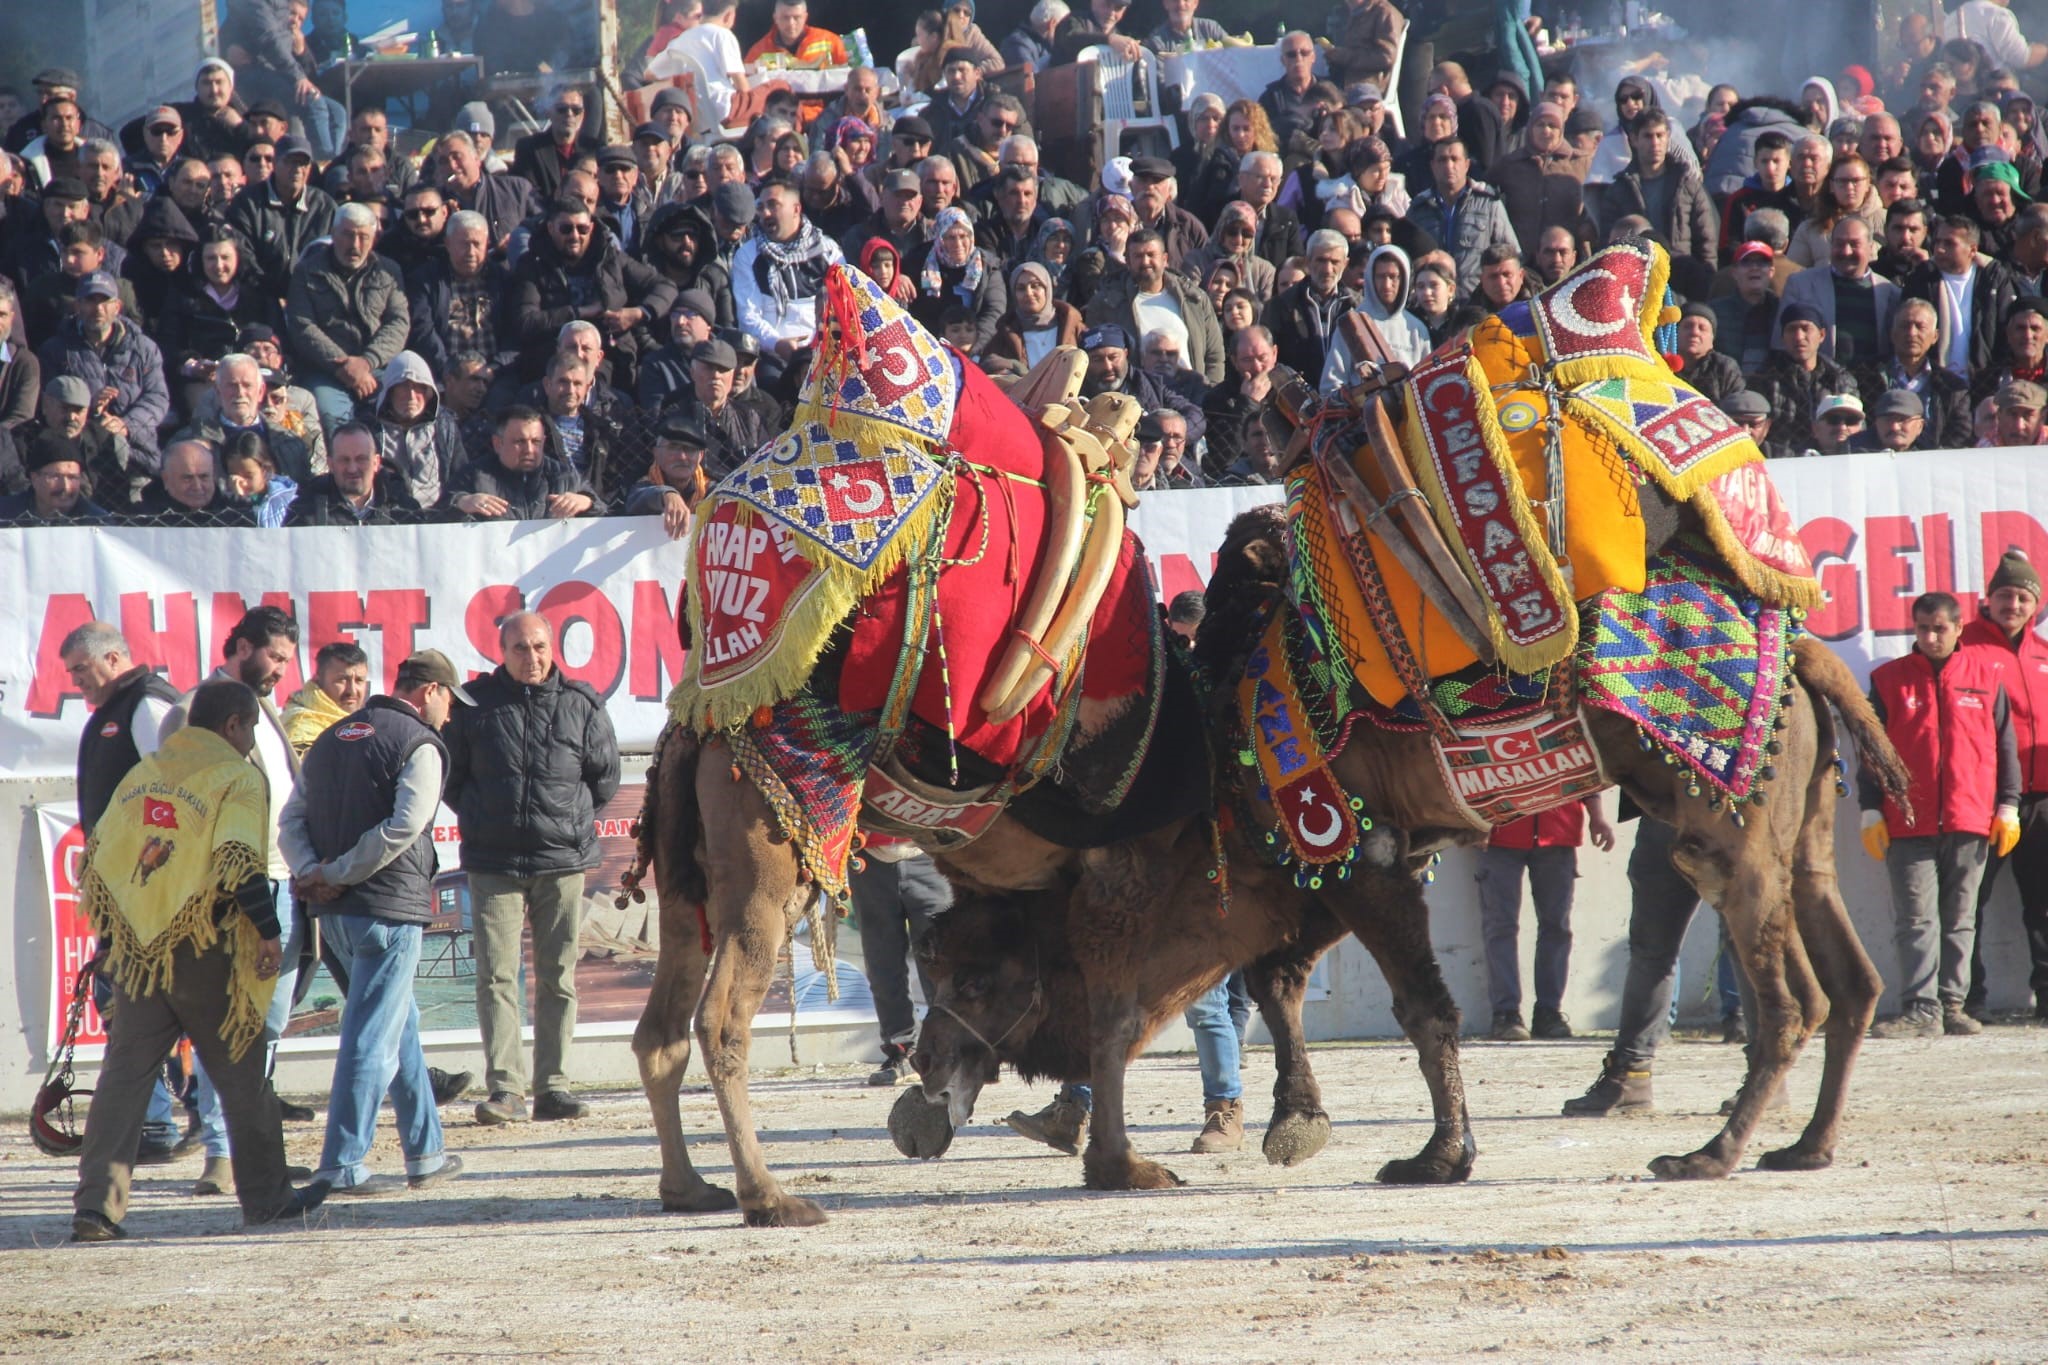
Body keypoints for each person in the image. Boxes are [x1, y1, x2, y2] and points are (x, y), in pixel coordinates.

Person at [69, 678, 330, 1241]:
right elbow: (239, 859)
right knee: (244, 1074)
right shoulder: (236, 776)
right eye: (251, 731)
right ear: (234, 724)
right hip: (206, 946)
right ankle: (267, 1198)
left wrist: (113, 938)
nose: (251, 742)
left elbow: (100, 859)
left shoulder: (146, 772)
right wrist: (266, 930)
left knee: (124, 1079)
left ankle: (95, 1207)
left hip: (141, 950)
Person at [282, 650, 470, 1197]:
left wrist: (313, 872)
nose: (451, 716)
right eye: (451, 702)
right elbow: (406, 825)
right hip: (387, 911)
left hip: (333, 912)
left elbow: (291, 820)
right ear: (431, 691)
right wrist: (337, 871)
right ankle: (341, 1164)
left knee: (398, 1027)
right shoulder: (419, 743)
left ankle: (426, 1152)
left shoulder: (328, 738)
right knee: (371, 1037)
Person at [443, 613, 619, 1125]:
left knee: (558, 975)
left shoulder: (581, 704)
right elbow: (453, 779)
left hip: (561, 862)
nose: (531, 657)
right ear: (502, 651)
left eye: (539, 646)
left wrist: (565, 819)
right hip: (493, 862)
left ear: (552, 646)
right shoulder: (474, 707)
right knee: (496, 976)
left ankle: (553, 1088)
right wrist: (482, 818)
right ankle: (507, 1090)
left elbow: (603, 779)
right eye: (520, 648)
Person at [1862, 592, 2020, 1038]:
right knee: (1915, 918)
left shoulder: (1987, 677)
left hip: (1970, 818)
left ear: (1958, 628)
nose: (1931, 637)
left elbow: (2005, 747)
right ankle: (1920, 1008)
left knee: (1960, 919)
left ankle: (1953, 1004)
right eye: (1923, 628)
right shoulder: (1889, 679)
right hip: (1907, 820)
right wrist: (1870, 808)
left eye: (1940, 629)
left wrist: (2007, 805)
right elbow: (1872, 752)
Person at [1961, 554, 2048, 1021]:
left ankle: (2046, 995)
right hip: (1985, 800)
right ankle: (1967, 998)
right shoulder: (1964, 649)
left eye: (2022, 597)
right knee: (1970, 901)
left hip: (2044, 802)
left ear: (2034, 604)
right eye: (2004, 595)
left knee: (2044, 905)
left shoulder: (2044, 654)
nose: (2012, 604)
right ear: (1988, 600)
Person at [1478, 796, 1614, 1041]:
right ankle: (1505, 1014)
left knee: (1556, 928)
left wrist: (1598, 818)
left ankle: (1548, 1013)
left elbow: (1586, 774)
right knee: (1500, 927)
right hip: (1499, 835)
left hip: (1558, 834)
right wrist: (1474, 822)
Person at [286, 203, 410, 437]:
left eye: (363, 237)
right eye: (348, 235)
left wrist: (367, 362)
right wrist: (342, 366)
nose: (355, 245)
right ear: (333, 234)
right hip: (325, 371)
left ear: (374, 238)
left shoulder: (389, 271)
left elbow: (398, 323)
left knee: (396, 413)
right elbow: (302, 326)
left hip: (377, 368)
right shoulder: (306, 271)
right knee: (330, 417)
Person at [37, 272, 168, 479]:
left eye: (105, 301)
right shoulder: (55, 350)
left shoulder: (144, 348)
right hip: (79, 457)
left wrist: (126, 425)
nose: (98, 309)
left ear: (117, 306)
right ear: (77, 306)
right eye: (90, 301)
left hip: (139, 453)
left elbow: (158, 398)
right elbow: (49, 404)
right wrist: (88, 407)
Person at [851, 845, 950, 1084]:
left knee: (943, 961)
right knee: (882, 962)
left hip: (929, 854)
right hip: (868, 859)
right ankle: (903, 1049)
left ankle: (950, 1048)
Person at [732, 180, 843, 384]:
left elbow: (842, 305)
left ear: (796, 209)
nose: (765, 214)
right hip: (772, 356)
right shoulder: (747, 255)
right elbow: (748, 318)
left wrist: (817, 346)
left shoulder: (828, 251)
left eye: (773, 205)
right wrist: (777, 344)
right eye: (761, 207)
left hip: (822, 352)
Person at [1084, 228, 1225, 386]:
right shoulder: (1106, 304)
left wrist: (1209, 394)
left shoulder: (1195, 299)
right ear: (1127, 261)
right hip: (1137, 399)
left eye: (1151, 255)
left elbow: (1215, 357)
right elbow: (1096, 356)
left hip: (1192, 397)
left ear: (1165, 259)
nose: (1145, 262)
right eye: (1138, 256)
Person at [1897, 215, 2024, 378]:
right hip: (1934, 381)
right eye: (1938, 242)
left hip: (1984, 381)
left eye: (1949, 243)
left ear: (1972, 250)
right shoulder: (1922, 278)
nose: (1939, 249)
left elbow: (2008, 330)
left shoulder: (1994, 279)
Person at [1774, 217, 1899, 369]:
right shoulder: (1800, 284)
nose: (1846, 251)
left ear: (1870, 247)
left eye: (1854, 244)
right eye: (1839, 244)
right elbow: (1781, 342)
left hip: (1872, 383)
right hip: (1820, 383)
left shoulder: (1889, 292)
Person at [1406, 139, 1518, 296]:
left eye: (1454, 159)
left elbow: (1511, 253)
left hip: (1476, 301)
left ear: (1466, 164)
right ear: (1433, 166)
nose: (1449, 166)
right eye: (1442, 160)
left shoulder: (1488, 203)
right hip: (1432, 302)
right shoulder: (1418, 208)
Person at [446, 405, 594, 520]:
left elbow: (606, 512)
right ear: (498, 443)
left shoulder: (564, 476)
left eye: (535, 442)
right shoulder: (474, 476)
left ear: (544, 442)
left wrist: (586, 502)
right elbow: (436, 514)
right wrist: (461, 503)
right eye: (519, 442)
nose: (529, 450)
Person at [1869, 298, 1974, 447]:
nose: (1912, 333)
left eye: (1920, 327)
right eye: (1905, 326)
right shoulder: (1868, 376)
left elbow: (1961, 433)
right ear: (1892, 333)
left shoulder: (1953, 387)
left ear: (1935, 336)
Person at [1756, 303, 1860, 451]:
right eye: (1791, 330)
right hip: (1783, 462)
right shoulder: (1765, 379)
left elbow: (1856, 427)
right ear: (1782, 338)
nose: (1799, 337)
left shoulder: (1840, 379)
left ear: (1822, 335)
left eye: (1806, 328)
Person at [284, 421, 424, 526]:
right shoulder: (304, 511)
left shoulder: (404, 509)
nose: (352, 468)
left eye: (361, 459)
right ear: (331, 464)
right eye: (344, 460)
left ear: (376, 463)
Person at [1261, 229, 1355, 380]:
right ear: (1308, 262)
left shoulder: (1357, 306)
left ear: (1345, 264)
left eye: (1334, 262)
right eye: (1321, 260)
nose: (1327, 269)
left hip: (1349, 398)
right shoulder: (1280, 307)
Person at [621, 409, 712, 537]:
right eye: (673, 448)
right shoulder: (642, 483)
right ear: (656, 453)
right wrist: (667, 494)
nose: (682, 456)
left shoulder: (712, 489)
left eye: (690, 450)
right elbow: (636, 499)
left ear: (701, 456)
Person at [0, 430, 111, 524]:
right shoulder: (5, 513)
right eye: (55, 477)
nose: (66, 487)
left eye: (72, 477)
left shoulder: (98, 522)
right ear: (34, 478)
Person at [281, 640, 371, 756]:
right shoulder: (301, 729)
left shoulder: (364, 725)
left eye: (359, 680)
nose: (352, 690)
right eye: (342, 680)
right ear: (318, 679)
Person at [1324, 0, 1406, 92]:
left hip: (1365, 89)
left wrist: (1343, 56)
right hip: (1336, 80)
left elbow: (1385, 57)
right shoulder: (1340, 11)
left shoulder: (1385, 12)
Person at [1260, 31, 1322, 150]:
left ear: (1313, 57)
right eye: (1291, 54)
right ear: (1283, 60)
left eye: (1304, 53)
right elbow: (1263, 136)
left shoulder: (1329, 91)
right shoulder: (1270, 97)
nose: (1298, 59)